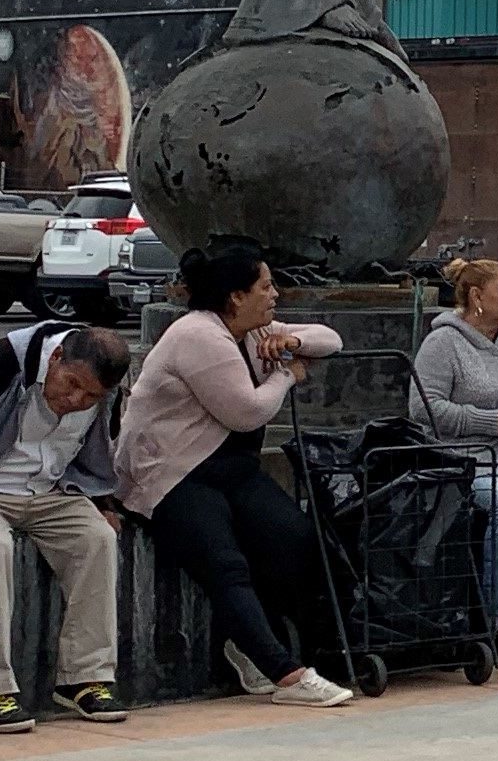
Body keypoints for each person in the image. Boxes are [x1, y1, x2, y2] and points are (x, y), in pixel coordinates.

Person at [118, 237, 353, 706]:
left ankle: (248, 643)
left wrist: (293, 342)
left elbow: (333, 339)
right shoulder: (199, 336)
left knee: (293, 537)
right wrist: (285, 373)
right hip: (170, 473)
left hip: (226, 466)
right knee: (225, 564)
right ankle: (287, 674)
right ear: (236, 297)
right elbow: (246, 412)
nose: (275, 296)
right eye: (266, 287)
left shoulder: (249, 330)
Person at [0, 322, 133, 732]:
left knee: (98, 539)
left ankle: (85, 677)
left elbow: (100, 444)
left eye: (90, 396)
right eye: (71, 384)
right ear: (55, 359)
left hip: (50, 488)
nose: (75, 399)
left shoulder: (103, 392)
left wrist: (102, 502)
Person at [414, 254, 498, 634]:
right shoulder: (443, 342)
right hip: (465, 456)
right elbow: (424, 409)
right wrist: (493, 421)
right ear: (477, 294)